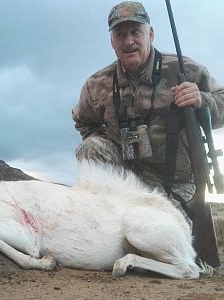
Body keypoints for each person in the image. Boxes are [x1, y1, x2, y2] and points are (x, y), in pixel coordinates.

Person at [72, 1, 224, 225]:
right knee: (90, 148)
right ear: (112, 42)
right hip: (127, 180)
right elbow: (83, 122)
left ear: (150, 34)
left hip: (175, 182)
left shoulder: (186, 70)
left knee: (156, 229)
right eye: (120, 35)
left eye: (135, 32)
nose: (129, 41)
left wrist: (203, 100)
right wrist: (113, 143)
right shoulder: (97, 84)